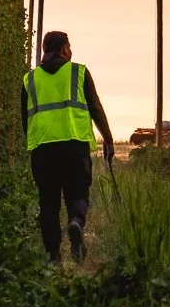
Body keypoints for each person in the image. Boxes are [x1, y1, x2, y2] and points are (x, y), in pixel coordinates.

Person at [22, 29, 114, 264]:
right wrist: (108, 138)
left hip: (43, 149)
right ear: (64, 49)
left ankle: (54, 257)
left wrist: (34, 144)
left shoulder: (30, 79)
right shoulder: (78, 72)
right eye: (69, 47)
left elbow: (26, 118)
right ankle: (75, 221)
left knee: (48, 203)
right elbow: (95, 107)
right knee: (78, 192)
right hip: (74, 146)